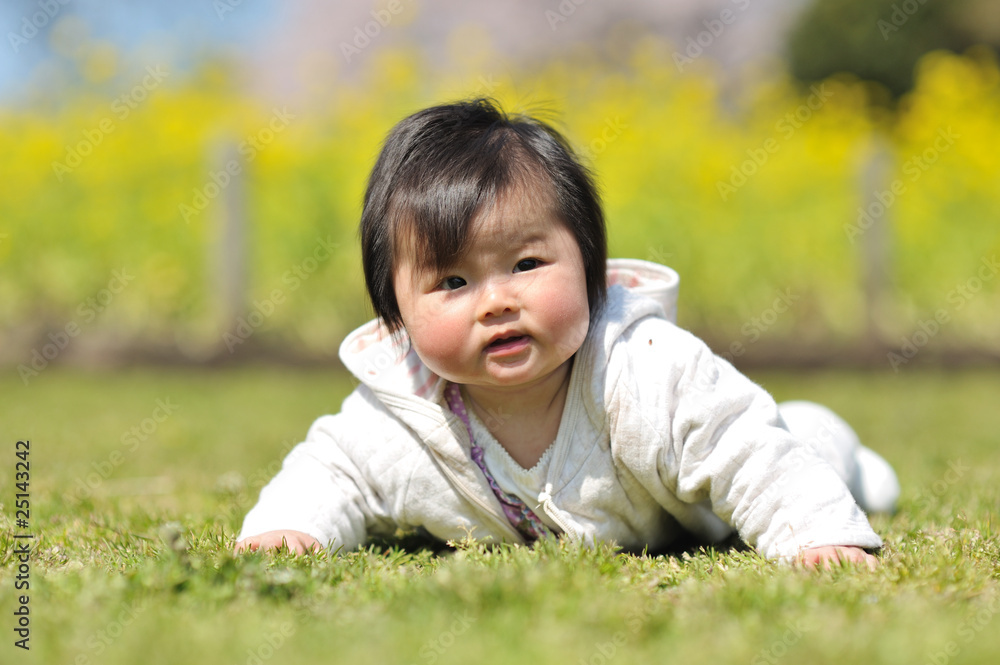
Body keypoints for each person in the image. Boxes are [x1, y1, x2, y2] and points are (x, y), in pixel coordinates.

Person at [235, 98, 899, 568]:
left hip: (710, 505)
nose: (496, 301)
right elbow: (333, 470)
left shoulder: (643, 368)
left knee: (802, 438)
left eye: (526, 264)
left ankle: (849, 456)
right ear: (396, 316)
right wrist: (288, 528)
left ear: (589, 264)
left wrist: (815, 534)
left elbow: (744, 446)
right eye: (453, 283)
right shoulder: (399, 410)